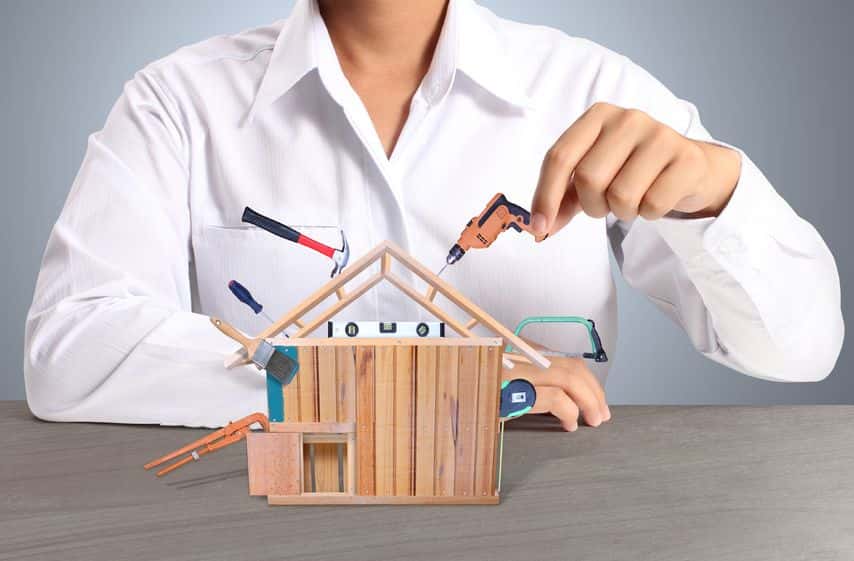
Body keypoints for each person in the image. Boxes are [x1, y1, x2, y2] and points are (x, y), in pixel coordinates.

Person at [24, 0, 843, 429]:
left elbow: (801, 347)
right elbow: (72, 350)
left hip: (547, 523)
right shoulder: (179, 103)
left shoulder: (590, 89)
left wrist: (713, 192)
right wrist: (419, 388)